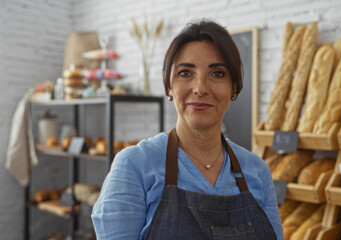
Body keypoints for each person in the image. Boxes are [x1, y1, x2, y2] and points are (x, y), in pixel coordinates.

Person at [92, 19, 284, 240]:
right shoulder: (134, 167)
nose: (200, 88)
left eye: (218, 73)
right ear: (169, 87)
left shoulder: (257, 172)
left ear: (233, 88)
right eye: (185, 73)